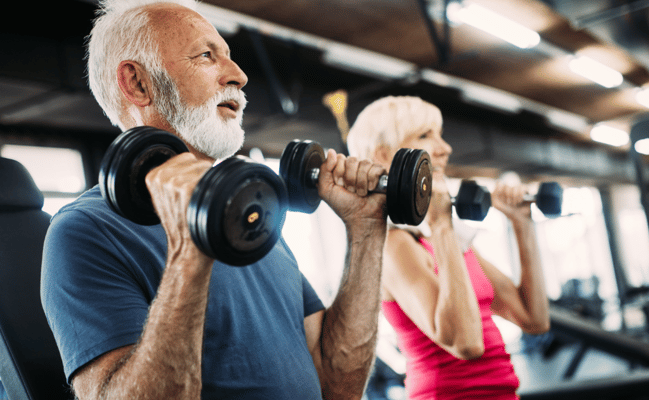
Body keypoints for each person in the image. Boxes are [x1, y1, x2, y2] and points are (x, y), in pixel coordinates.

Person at [40, 1, 388, 399]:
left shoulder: (251, 216)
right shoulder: (85, 231)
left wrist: (365, 230)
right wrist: (191, 250)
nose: (238, 76)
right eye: (206, 55)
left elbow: (336, 385)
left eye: (230, 57)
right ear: (137, 84)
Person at [346, 96, 550, 399]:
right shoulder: (394, 245)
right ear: (385, 155)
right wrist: (442, 223)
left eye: (439, 135)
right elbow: (466, 343)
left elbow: (533, 320)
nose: (445, 148)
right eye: (425, 136)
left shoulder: (449, 243)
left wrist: (523, 224)